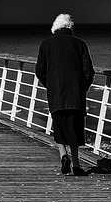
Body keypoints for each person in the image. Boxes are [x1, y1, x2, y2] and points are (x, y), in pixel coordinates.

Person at [35, 13, 96, 177]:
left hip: (56, 94)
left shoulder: (46, 45)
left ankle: (63, 156)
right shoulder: (80, 44)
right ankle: (76, 164)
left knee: (59, 126)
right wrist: (83, 87)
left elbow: (40, 71)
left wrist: (51, 85)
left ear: (55, 28)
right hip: (75, 94)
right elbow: (89, 71)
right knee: (75, 129)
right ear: (70, 28)